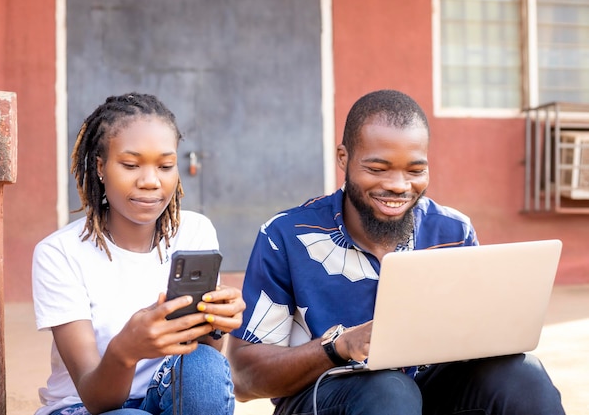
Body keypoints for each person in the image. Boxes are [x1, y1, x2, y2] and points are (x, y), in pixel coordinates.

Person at [226, 89, 565, 415]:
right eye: (378, 169)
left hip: (425, 395)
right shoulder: (287, 236)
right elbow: (244, 379)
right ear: (343, 158)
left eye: (416, 171)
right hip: (326, 397)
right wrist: (337, 347)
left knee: (524, 376)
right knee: (389, 390)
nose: (399, 186)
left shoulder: (452, 231)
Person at [32, 92, 245, 415]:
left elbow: (202, 363)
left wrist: (216, 323)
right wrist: (125, 350)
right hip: (84, 407)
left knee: (205, 365)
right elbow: (97, 398)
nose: (150, 181)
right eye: (131, 165)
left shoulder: (194, 232)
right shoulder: (59, 253)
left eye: (165, 166)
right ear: (101, 167)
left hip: (164, 393)